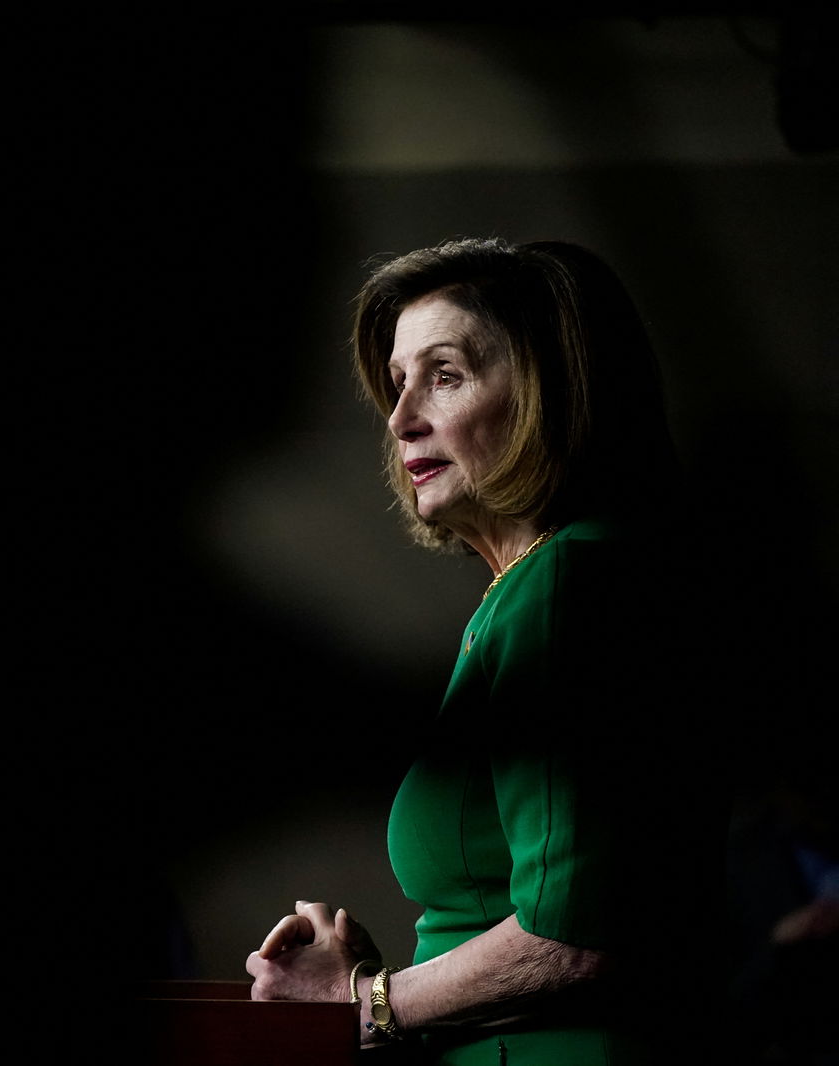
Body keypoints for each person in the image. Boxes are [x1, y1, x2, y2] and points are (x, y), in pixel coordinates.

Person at [244, 238, 733, 1064]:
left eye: (445, 375)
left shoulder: (568, 583)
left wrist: (359, 1003)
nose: (400, 420)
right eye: (397, 384)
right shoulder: (541, 588)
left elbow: (574, 939)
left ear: (553, 393)